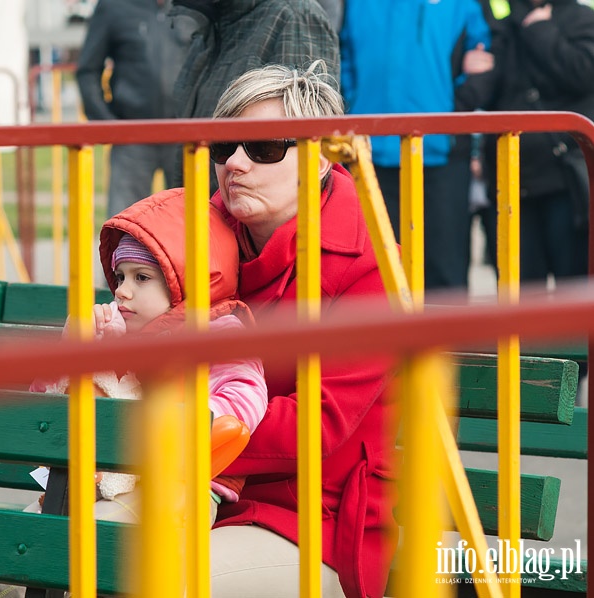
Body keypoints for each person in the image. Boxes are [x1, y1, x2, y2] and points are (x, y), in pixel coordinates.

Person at [0, 188, 269, 598]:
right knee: (5, 550)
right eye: (119, 278)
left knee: (72, 550)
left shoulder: (222, 339)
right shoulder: (115, 328)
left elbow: (238, 405)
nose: (122, 291)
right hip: (83, 487)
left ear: (185, 283)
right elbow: (51, 408)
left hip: (175, 494)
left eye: (142, 278)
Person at [207, 62, 397, 598]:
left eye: (264, 147)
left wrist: (172, 435)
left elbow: (316, 424)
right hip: (190, 489)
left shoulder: (371, 263)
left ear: (317, 161)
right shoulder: (197, 236)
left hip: (311, 520)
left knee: (144, 574)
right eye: (226, 145)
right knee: (34, 548)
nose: (236, 164)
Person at [340, 0, 494, 290]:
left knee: (443, 274)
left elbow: (489, 51)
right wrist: (352, 107)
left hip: (441, 156)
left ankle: (447, 337)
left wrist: (455, 109)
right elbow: (342, 54)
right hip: (368, 157)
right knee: (374, 274)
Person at [168, 0, 340, 192]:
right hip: (205, 212)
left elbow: (296, 174)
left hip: (240, 214)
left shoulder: (294, 17)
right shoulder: (214, 26)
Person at [479, 0, 594, 282]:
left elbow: (583, 73)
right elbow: (488, 88)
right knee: (521, 295)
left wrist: (541, 30)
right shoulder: (500, 23)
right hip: (512, 181)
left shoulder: (580, 17)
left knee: (574, 291)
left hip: (564, 182)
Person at [76, 0, 192, 216]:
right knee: (125, 224)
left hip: (186, 136)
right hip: (131, 136)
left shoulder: (195, 6)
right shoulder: (114, 6)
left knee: (191, 223)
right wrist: (108, 124)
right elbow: (87, 70)